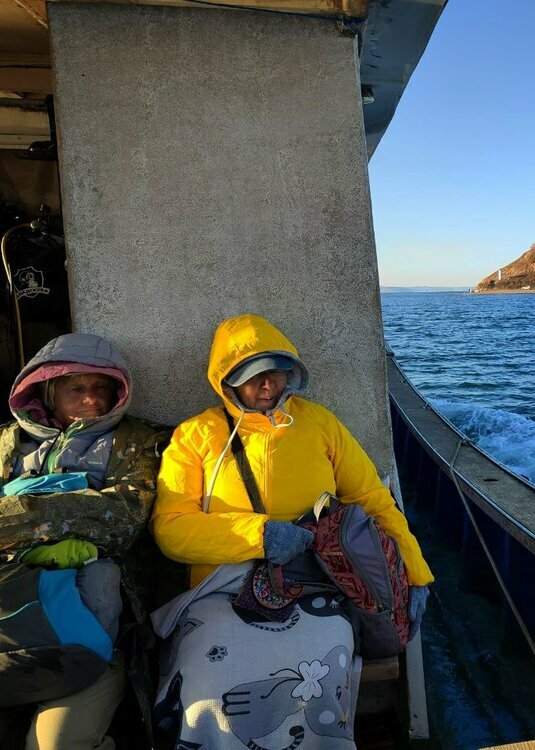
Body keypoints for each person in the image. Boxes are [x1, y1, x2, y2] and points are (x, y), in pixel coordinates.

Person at [150, 314, 433, 749]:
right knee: (209, 686)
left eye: (276, 371)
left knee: (317, 679)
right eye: (252, 375)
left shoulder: (320, 423)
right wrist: (261, 536)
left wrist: (416, 573)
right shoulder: (195, 435)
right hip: (221, 588)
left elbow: (373, 500)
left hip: (318, 584)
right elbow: (170, 528)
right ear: (226, 380)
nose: (267, 384)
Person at [0, 332, 166, 750]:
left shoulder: (136, 440)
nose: (92, 399)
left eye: (102, 388)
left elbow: (121, 517)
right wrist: (60, 514)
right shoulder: (5, 441)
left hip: (84, 627)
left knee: (58, 744)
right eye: (76, 389)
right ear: (47, 393)